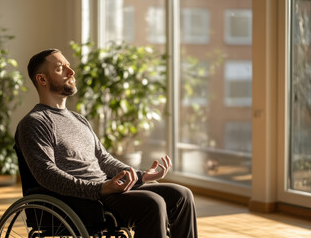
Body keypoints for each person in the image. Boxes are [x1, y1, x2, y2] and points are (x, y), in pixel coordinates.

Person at [15, 48, 198, 238]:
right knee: (152, 203)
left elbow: (103, 159)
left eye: (69, 66)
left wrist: (140, 176)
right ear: (42, 79)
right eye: (61, 68)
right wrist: (100, 189)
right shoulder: (35, 122)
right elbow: (47, 174)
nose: (71, 72)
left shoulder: (78, 119)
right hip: (83, 199)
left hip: (106, 189)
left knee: (182, 195)